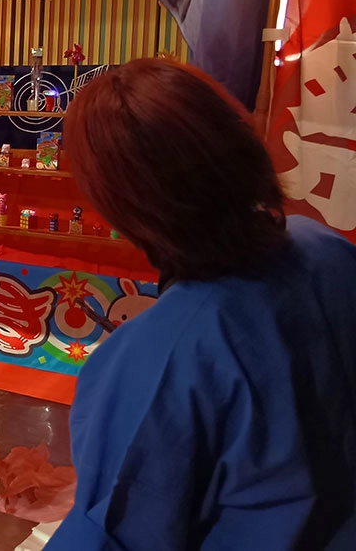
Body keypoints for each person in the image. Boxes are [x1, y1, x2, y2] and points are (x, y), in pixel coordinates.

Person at [46, 58, 356, 550]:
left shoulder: (158, 359)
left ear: (119, 204)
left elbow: (118, 531)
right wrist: (80, 493)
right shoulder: (327, 250)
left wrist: (90, 503)